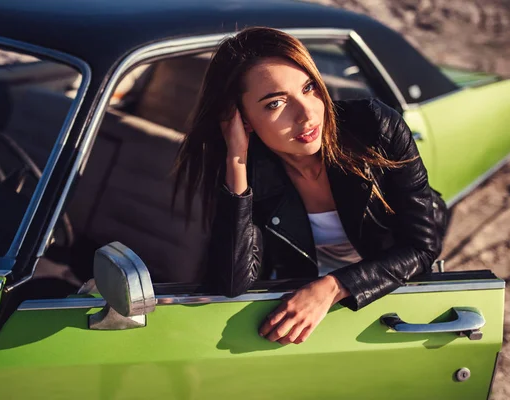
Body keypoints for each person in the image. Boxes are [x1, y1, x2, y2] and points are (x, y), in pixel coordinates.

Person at [173, 27, 447, 346]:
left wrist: (333, 287)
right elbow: (232, 283)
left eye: (308, 87)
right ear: (242, 118)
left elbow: (422, 247)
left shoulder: (376, 127)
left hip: (386, 284)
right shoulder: (246, 170)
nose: (307, 114)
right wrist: (237, 158)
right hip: (311, 307)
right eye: (275, 104)